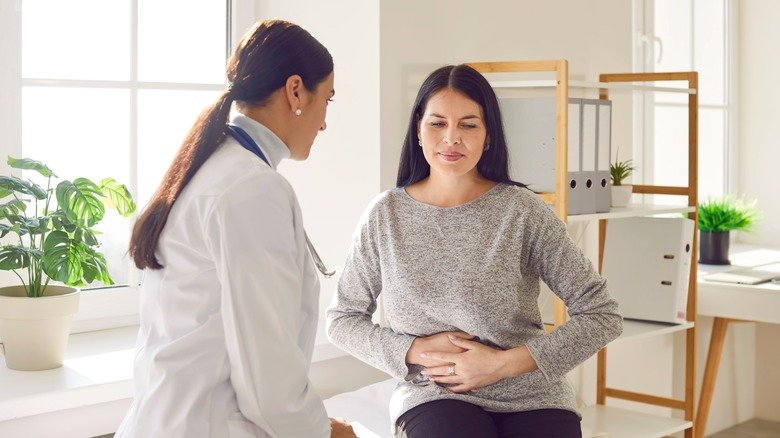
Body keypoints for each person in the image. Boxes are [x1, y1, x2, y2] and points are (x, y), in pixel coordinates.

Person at [326, 64, 623, 438]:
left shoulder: (522, 211)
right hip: (435, 397)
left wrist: (503, 365)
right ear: (418, 129)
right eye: (438, 123)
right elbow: (342, 319)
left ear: (488, 136)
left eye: (468, 125)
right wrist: (414, 350)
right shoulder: (386, 216)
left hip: (534, 397)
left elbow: (602, 314)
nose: (452, 138)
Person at [118, 19, 354, 438]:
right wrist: (326, 432)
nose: (323, 124)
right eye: (327, 101)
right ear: (296, 91)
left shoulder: (209, 167)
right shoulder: (252, 189)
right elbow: (266, 374)